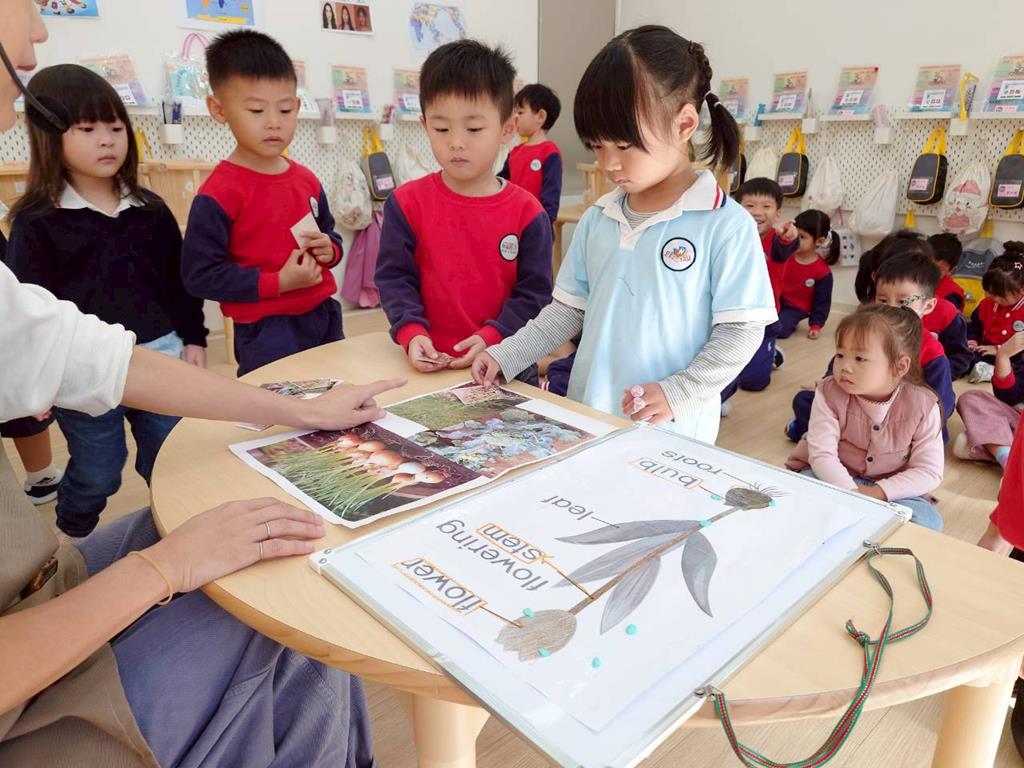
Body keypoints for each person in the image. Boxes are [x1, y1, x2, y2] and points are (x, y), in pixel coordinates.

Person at [0, 3, 401, 762]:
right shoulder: (72, 215)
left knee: (246, 517)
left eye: (287, 107)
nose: (41, 36)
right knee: (262, 591)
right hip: (33, 687)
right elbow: (197, 281)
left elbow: (94, 353)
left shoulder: (194, 199)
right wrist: (166, 566)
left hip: (43, 573)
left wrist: (292, 408)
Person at [472, 25, 775, 444]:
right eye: (597, 146)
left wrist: (679, 392)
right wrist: (507, 354)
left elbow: (741, 332)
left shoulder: (725, 224)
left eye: (624, 145)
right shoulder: (598, 218)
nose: (608, 163)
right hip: (589, 415)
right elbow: (566, 313)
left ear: (684, 124)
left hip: (672, 433)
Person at [6, 65, 208, 538]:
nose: (107, 141)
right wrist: (35, 379)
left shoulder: (151, 209)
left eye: (116, 128)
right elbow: (30, 309)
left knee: (169, 455)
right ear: (50, 137)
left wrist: (194, 338)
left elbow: (178, 282)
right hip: (80, 368)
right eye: (88, 129)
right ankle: (72, 536)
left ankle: (174, 532)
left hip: (159, 352)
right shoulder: (36, 220)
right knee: (100, 470)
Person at [375, 40, 553, 381]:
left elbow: (534, 294)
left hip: (505, 365)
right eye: (442, 129)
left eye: (473, 129)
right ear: (425, 125)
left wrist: (493, 336)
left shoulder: (528, 213)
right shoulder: (406, 203)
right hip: (428, 365)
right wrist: (411, 332)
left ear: (507, 128)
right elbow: (394, 279)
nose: (456, 142)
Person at [182, 30, 345, 377]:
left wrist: (330, 249)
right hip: (266, 329)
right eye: (256, 110)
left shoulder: (307, 180)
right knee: (278, 405)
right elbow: (200, 276)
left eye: (285, 109)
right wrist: (278, 283)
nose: (274, 122)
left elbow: (330, 234)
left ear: (297, 107)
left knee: (339, 394)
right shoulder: (218, 194)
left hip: (323, 313)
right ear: (218, 109)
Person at [786, 305, 944, 531]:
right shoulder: (829, 392)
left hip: (891, 491)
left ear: (900, 366)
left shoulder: (924, 406)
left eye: (860, 358)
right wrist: (852, 495)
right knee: (797, 493)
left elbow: (928, 472)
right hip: (832, 478)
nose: (845, 367)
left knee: (928, 522)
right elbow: (822, 455)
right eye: (840, 355)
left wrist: (877, 493)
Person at [786, 241, 956, 444]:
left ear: (928, 306)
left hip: (900, 420)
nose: (890, 309)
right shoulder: (864, 335)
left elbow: (942, 404)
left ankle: (836, 439)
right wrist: (828, 384)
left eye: (903, 302)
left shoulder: (931, 351)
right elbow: (840, 365)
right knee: (807, 400)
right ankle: (842, 439)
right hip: (860, 408)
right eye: (883, 300)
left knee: (933, 433)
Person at [720, 177, 798, 409]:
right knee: (722, 365)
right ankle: (721, 396)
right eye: (749, 205)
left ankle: (771, 353)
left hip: (763, 319)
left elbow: (784, 250)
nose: (757, 212)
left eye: (766, 206)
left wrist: (787, 238)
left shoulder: (777, 240)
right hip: (730, 313)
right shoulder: (731, 236)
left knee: (754, 383)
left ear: (777, 213)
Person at [499, 83, 563, 226]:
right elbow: (500, 185)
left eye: (520, 112)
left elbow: (551, 197)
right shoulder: (514, 152)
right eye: (514, 113)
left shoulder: (550, 152)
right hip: (512, 224)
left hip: (537, 227)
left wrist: (544, 227)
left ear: (540, 116)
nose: (515, 118)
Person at [775, 209, 840, 341]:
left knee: (778, 329)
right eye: (794, 234)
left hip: (795, 308)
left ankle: (789, 322)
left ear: (819, 241)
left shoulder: (822, 272)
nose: (795, 239)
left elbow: (822, 302)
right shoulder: (785, 256)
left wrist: (815, 325)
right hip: (775, 301)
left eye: (802, 237)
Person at [966, 245, 1024, 384]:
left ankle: (995, 372)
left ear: (1022, 289)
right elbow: (974, 327)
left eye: (1000, 295)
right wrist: (972, 341)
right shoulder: (986, 304)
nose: (995, 299)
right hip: (985, 352)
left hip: (1015, 356)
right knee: (964, 355)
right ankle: (988, 370)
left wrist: (999, 350)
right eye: (991, 293)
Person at [928, 232, 966, 310]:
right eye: (927, 265)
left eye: (938, 270)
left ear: (952, 270)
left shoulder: (952, 294)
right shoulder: (912, 281)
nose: (929, 272)